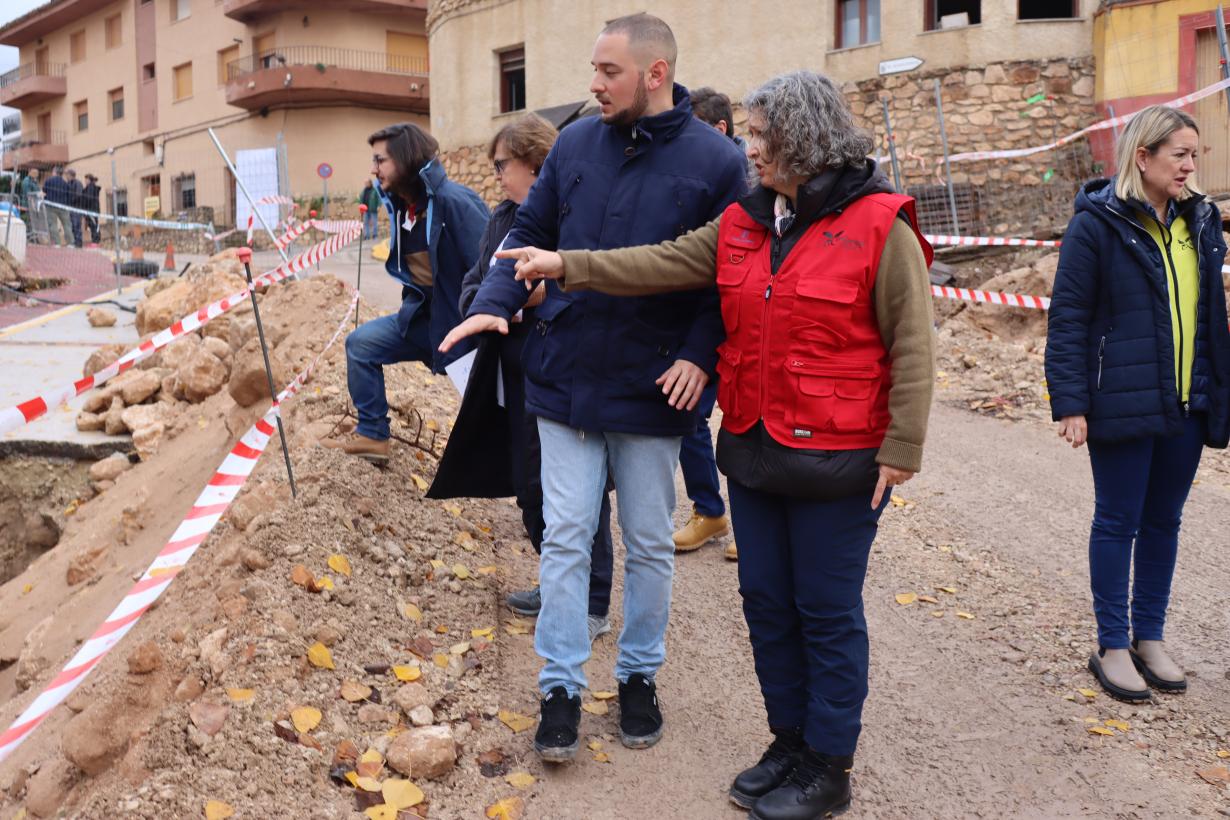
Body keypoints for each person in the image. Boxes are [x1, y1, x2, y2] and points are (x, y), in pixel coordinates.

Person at [498, 70, 936, 819]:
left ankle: (827, 766)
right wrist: (568, 263)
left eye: (761, 136)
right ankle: (788, 743)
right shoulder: (748, 218)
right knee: (766, 604)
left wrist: (902, 449)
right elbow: (661, 261)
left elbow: (914, 344)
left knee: (824, 612)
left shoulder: (878, 224)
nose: (748, 149)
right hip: (756, 451)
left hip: (841, 460)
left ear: (801, 138)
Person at [440, 13, 746, 762]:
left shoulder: (718, 163)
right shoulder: (574, 144)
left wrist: (702, 355)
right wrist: (489, 310)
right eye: (594, 69)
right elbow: (524, 237)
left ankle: (639, 677)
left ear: (654, 73)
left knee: (647, 543)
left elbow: (727, 276)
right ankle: (561, 688)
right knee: (567, 538)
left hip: (653, 390)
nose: (594, 84)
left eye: (609, 71)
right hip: (565, 379)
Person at [1045, 105, 1230, 703]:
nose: (1190, 165)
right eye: (1179, 154)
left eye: (1194, 155)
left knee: (1164, 521)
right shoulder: (1095, 225)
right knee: (1118, 519)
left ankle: (1149, 636)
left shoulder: (1202, 222)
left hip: (1188, 399)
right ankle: (1113, 644)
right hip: (1120, 399)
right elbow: (1068, 318)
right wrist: (1071, 402)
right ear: (1142, 156)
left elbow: (1209, 318)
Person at [431, 113, 617, 644]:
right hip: (510, 382)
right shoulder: (503, 218)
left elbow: (600, 289)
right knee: (530, 488)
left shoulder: (578, 217)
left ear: (536, 163)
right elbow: (473, 287)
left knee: (579, 496)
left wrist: (544, 298)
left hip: (565, 379)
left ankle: (594, 601)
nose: (496, 175)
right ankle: (555, 584)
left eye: (502, 165)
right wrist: (497, 306)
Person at [321, 123, 489, 464]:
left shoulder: (455, 203)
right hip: (422, 321)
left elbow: (491, 270)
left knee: (492, 419)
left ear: (406, 159)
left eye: (380, 160)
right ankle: (372, 437)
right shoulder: (403, 210)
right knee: (360, 344)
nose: (373, 168)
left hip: (463, 329)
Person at [668, 85, 751, 561]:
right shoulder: (694, 175)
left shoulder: (756, 181)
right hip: (705, 318)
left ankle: (750, 522)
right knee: (689, 416)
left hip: (744, 324)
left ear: (719, 130)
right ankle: (710, 511)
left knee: (744, 424)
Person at [41, 166, 73, 247]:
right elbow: (69, 195)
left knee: (53, 225)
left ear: (54, 172)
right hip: (63, 206)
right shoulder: (65, 183)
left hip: (51, 206)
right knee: (66, 224)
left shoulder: (48, 181)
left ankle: (57, 243)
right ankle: (70, 243)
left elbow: (44, 191)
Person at [20, 168, 41, 242]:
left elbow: (37, 190)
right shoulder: (27, 181)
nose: (37, 175)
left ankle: (33, 237)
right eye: (36, 173)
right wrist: (32, 204)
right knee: (30, 221)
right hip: (28, 204)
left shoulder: (34, 181)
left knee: (34, 221)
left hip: (35, 204)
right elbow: (28, 194)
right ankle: (29, 237)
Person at [65, 168, 84, 248]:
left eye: (67, 175)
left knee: (77, 225)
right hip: (70, 208)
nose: (66, 176)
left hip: (76, 208)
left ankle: (78, 243)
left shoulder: (77, 183)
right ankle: (73, 242)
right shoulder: (68, 183)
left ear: (71, 175)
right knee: (71, 225)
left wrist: (71, 201)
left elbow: (78, 195)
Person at [81, 173, 101, 245]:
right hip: (90, 210)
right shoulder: (88, 188)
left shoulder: (91, 188)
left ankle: (96, 240)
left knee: (94, 225)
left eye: (86, 179)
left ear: (89, 180)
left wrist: (84, 205)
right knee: (92, 225)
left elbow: (88, 199)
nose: (85, 181)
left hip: (92, 210)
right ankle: (95, 240)